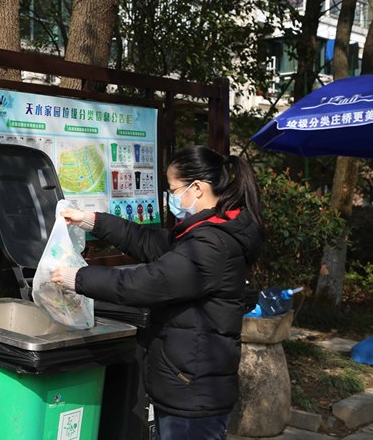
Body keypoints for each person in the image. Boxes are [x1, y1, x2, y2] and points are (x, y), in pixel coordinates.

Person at [51, 145, 264, 440]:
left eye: (174, 189)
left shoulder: (212, 245)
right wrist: (92, 221)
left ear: (198, 188)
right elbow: (147, 241)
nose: (172, 197)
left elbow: (148, 282)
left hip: (193, 392)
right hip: (189, 381)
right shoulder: (207, 231)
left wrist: (78, 278)